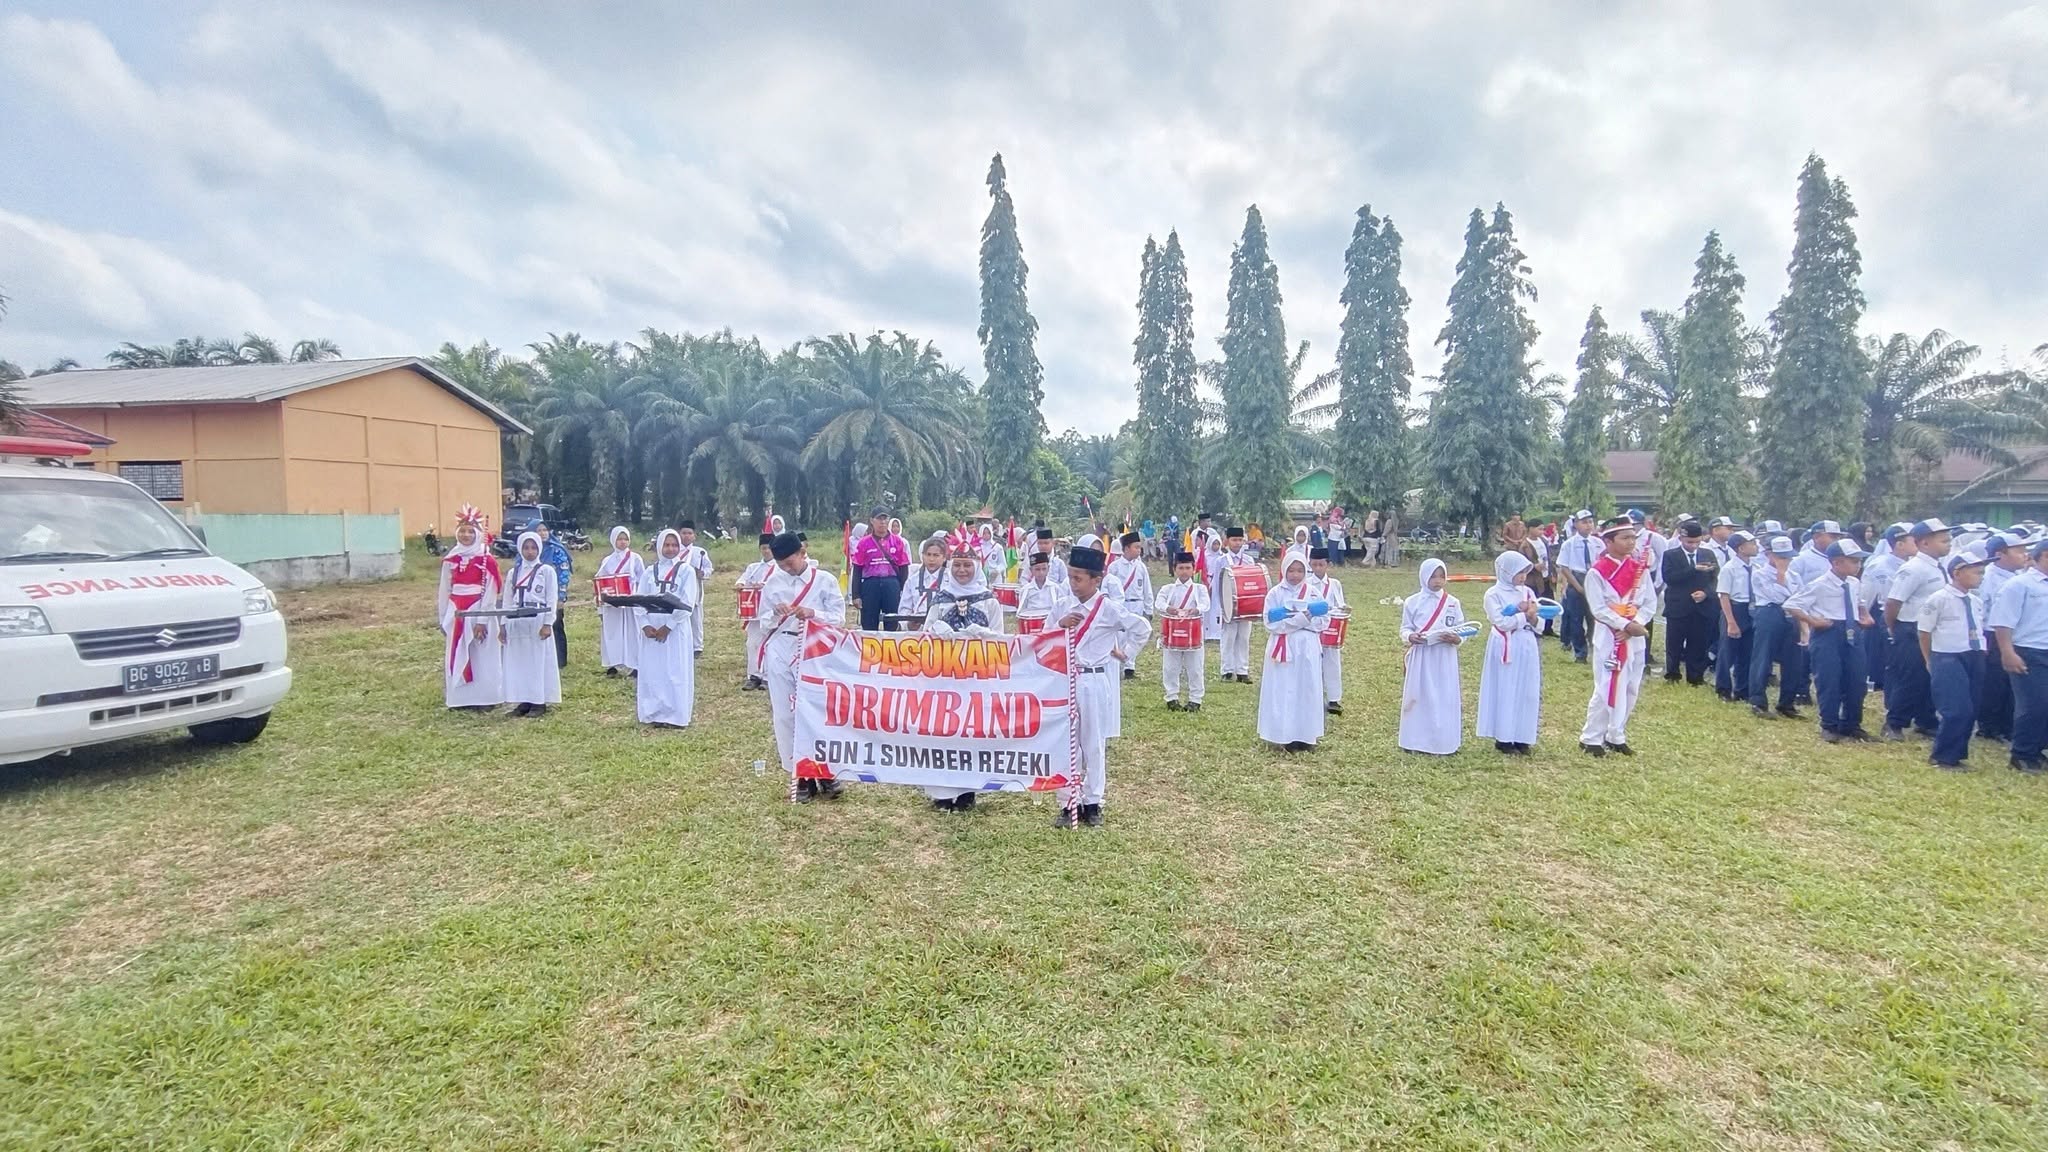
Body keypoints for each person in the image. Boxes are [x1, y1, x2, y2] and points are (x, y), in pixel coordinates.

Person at [1051, 546, 1148, 828]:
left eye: (1079, 578)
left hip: (1093, 680)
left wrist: (1125, 653)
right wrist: (1059, 625)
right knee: (1067, 744)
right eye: (1070, 577)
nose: (1073, 583)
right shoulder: (1062, 606)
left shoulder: (1108, 609)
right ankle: (1068, 802)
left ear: (1096, 580)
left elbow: (1141, 628)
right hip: (1066, 680)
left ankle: (1093, 801)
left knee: (1093, 743)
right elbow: (1043, 640)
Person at [761, 532, 847, 802]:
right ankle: (800, 775)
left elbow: (839, 618)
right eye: (781, 565)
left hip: (815, 649)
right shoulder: (773, 583)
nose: (787, 568)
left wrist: (813, 614)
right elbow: (762, 622)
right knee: (786, 713)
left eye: (790, 562)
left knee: (816, 711)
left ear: (802, 552)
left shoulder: (825, 581)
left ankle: (825, 771)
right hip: (781, 646)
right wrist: (775, 613)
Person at [920, 546, 1006, 811]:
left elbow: (1001, 640)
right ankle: (942, 793)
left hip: (976, 680)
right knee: (943, 733)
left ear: (977, 567)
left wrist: (983, 635)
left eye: (967, 565)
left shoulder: (989, 600)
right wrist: (936, 630)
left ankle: (968, 790)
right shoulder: (941, 599)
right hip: (944, 680)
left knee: (971, 733)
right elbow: (924, 635)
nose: (962, 570)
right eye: (957, 565)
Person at [1581, 517, 1658, 756]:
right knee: (1608, 685)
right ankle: (1591, 737)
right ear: (1608, 541)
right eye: (1625, 538)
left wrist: (1637, 623)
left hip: (1634, 635)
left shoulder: (1639, 569)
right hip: (1610, 635)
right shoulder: (1597, 572)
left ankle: (1616, 734)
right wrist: (1623, 624)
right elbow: (1598, 608)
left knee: (1631, 685)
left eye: (1633, 537)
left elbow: (1650, 602)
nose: (1630, 542)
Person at [1785, 539, 1874, 743]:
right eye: (1854, 561)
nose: (1858, 565)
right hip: (1829, 631)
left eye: (1859, 561)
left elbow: (1859, 602)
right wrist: (1812, 621)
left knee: (1856, 679)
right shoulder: (1820, 584)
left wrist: (1864, 615)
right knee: (1829, 678)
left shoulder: (1854, 583)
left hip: (1851, 629)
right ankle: (1829, 725)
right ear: (1836, 562)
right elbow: (1792, 604)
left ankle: (1852, 724)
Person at [1884, 518, 1952, 741]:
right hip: (1911, 628)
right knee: (1910, 677)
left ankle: (1926, 720)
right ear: (1924, 543)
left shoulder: (1938, 566)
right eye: (1943, 540)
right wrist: (1896, 629)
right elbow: (1893, 602)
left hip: (1932, 630)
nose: (1948, 544)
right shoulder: (1913, 568)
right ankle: (1894, 722)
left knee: (1929, 676)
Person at [1921, 550, 1990, 769]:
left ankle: (1957, 754)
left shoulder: (1975, 601)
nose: (1981, 575)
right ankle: (1942, 756)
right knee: (1956, 708)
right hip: (1948, 655)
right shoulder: (1939, 599)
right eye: (1975, 571)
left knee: (1971, 707)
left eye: (1982, 571)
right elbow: (1924, 631)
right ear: (1957, 573)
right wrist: (1929, 659)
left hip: (1973, 654)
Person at [1258, 549, 1329, 751]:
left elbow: (1324, 621)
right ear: (1284, 570)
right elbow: (1271, 623)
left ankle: (1306, 735)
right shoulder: (1275, 594)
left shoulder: (1313, 593)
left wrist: (1302, 621)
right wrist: (1300, 620)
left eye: (1299, 570)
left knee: (1307, 688)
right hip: (1284, 648)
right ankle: (1283, 734)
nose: (1295, 575)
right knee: (1283, 689)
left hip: (1307, 648)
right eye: (1291, 570)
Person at [436, 506, 504, 711]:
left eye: (470, 531)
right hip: (456, 611)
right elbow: (444, 589)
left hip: (478, 610)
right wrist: (444, 616)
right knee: (457, 652)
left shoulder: (486, 559)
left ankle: (485, 698)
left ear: (477, 534)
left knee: (481, 654)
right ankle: (460, 699)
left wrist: (481, 619)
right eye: (463, 531)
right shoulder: (452, 558)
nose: (466, 535)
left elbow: (490, 591)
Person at [1991, 538, 2048, 774]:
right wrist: (2007, 652)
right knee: (2034, 704)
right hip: (2028, 650)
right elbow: (2002, 621)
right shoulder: (2019, 584)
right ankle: (2022, 754)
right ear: (2043, 556)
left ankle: (2037, 750)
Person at [1399, 558, 1466, 755]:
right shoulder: (1412, 602)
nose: (1437, 581)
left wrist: (1457, 639)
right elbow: (1405, 628)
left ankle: (1443, 741)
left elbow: (1461, 628)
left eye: (1441, 576)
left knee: (1444, 696)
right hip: (1422, 655)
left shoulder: (1453, 603)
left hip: (1444, 656)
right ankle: (1415, 740)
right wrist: (1410, 636)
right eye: (1433, 576)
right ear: (1424, 577)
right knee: (1419, 696)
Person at [1477, 550, 1541, 754]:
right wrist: (1522, 615)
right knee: (1506, 687)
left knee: (1526, 690)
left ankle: (1523, 736)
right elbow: (1501, 622)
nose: (1522, 577)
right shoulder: (1493, 594)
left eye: (1524, 572)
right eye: (1518, 572)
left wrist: (1533, 618)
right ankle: (1504, 737)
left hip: (1526, 644)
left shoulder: (1528, 592)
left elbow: (1539, 620)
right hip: (1505, 644)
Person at [635, 529, 699, 729]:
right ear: (659, 546)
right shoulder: (649, 571)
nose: (671, 549)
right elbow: (639, 599)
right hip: (651, 627)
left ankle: (676, 715)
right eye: (667, 545)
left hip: (675, 628)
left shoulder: (686, 571)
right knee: (653, 671)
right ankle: (653, 712)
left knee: (675, 671)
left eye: (674, 545)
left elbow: (687, 602)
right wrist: (645, 624)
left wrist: (668, 626)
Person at [501, 530, 562, 716]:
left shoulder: (546, 571)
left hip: (537, 620)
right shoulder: (513, 572)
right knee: (520, 662)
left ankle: (539, 701)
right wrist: (503, 625)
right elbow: (507, 599)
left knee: (537, 662)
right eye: (526, 548)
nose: (530, 551)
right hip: (517, 622)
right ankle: (524, 700)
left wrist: (548, 623)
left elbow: (551, 598)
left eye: (534, 548)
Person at [1975, 532, 2028, 745]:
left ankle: (2007, 725)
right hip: (1992, 633)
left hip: (2015, 633)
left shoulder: (2019, 576)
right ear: (1999, 554)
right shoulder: (1987, 577)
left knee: (2010, 683)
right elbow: (1980, 609)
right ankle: (1989, 726)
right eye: (2019, 551)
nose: (2025, 555)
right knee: (1994, 682)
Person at [1661, 520, 1721, 686]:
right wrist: (1693, 569)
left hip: (1702, 606)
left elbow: (1715, 579)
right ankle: (1672, 674)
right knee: (1674, 643)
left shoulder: (1708, 554)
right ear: (1681, 539)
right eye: (1689, 542)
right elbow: (1669, 578)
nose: (1693, 546)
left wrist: (1706, 593)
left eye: (1697, 542)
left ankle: (1695, 676)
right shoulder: (1671, 555)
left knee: (1699, 642)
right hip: (1678, 605)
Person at [1749, 535, 1802, 719]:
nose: (1785, 561)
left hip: (1791, 616)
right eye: (1781, 557)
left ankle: (1787, 703)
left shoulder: (1795, 576)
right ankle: (1758, 701)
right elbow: (1776, 596)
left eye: (1787, 557)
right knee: (1763, 657)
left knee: (1793, 660)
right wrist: (1780, 575)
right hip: (1769, 613)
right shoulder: (1759, 574)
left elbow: (1799, 598)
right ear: (1769, 555)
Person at [1860, 524, 1915, 695]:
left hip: (1909, 615)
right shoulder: (1880, 566)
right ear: (1899, 544)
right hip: (1886, 613)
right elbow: (1866, 595)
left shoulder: (1914, 564)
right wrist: (1863, 616)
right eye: (1914, 540)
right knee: (1889, 659)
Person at [1155, 551, 1210, 712]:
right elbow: (1159, 602)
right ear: (1175, 569)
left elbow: (1206, 604)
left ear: (1193, 569)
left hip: (1193, 633)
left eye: (1187, 568)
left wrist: (1195, 610)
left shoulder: (1199, 589)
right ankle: (1171, 697)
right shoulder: (1168, 589)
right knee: (1170, 667)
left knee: (1195, 667)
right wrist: (1169, 609)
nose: (1184, 571)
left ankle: (1195, 699)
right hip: (1173, 632)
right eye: (1181, 568)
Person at [1715, 531, 1760, 703]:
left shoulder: (1756, 567)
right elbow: (1724, 596)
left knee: (1747, 651)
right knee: (1727, 651)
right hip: (1735, 608)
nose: (1756, 546)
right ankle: (1723, 689)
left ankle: (1743, 689)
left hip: (1752, 608)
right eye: (1752, 543)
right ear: (1741, 548)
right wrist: (1731, 622)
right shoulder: (1730, 568)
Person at [594, 526, 645, 677]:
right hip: (612, 604)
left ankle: (634, 664)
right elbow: (600, 581)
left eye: (625, 539)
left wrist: (639, 599)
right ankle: (613, 664)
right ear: (613, 540)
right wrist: (601, 603)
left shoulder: (635, 558)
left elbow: (642, 579)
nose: (623, 542)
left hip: (630, 602)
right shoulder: (607, 560)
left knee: (632, 632)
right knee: (612, 632)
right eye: (619, 539)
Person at [1305, 546, 1348, 714]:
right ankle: (1311, 697)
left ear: (1328, 564)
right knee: (1311, 663)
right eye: (1314, 564)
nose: (1318, 568)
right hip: (1312, 628)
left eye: (1321, 564)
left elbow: (1340, 605)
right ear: (1310, 564)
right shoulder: (1306, 584)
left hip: (1331, 629)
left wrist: (1342, 611)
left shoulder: (1334, 584)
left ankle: (1333, 699)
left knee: (1332, 663)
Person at [1214, 526, 1259, 683]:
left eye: (1240, 540)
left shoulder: (1248, 560)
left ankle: (1242, 671)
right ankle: (1227, 670)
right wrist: (1219, 609)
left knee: (1244, 637)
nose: (1237, 543)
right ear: (1227, 541)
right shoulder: (1221, 561)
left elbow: (1253, 582)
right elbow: (1216, 586)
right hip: (1228, 605)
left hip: (1245, 604)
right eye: (1234, 540)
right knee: (1228, 637)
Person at [1108, 532, 1153, 680]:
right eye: (1136, 547)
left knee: (1133, 635)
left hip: (1137, 603)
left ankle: (1130, 666)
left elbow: (1147, 589)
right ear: (1126, 548)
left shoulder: (1141, 567)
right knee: (1120, 634)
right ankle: (1118, 663)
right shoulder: (1114, 567)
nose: (1139, 550)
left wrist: (1148, 609)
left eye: (1140, 547)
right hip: (1121, 604)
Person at [737, 532, 777, 691]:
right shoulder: (753, 567)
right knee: (752, 643)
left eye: (769, 548)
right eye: (764, 548)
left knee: (768, 643)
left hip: (770, 612)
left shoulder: (779, 568)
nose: (766, 551)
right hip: (753, 611)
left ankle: (767, 676)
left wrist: (764, 586)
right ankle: (753, 676)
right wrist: (740, 584)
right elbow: (742, 579)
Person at [1557, 510, 1597, 662]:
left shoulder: (1598, 543)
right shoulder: (1569, 544)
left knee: (1594, 618)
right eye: (1584, 522)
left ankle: (1594, 646)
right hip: (1576, 579)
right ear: (1576, 524)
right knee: (1576, 619)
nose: (1588, 525)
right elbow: (1564, 567)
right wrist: (1578, 587)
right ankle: (1580, 652)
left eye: (1590, 522)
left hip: (1594, 579)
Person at [534, 520, 573, 670]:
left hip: (554, 595)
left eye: (545, 530)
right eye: (539, 530)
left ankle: (560, 660)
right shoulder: (528, 550)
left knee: (556, 625)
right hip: (535, 597)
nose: (543, 533)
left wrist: (561, 596)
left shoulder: (556, 550)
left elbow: (564, 574)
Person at [676, 521, 714, 654]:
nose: (686, 536)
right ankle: (680, 643)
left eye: (689, 533)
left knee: (696, 617)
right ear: (679, 534)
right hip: (677, 587)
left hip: (695, 587)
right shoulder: (674, 550)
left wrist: (702, 573)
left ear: (694, 536)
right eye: (684, 533)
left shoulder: (699, 552)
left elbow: (709, 568)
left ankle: (697, 646)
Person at [898, 536, 950, 621]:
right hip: (917, 627)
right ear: (922, 556)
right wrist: (909, 623)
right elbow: (904, 610)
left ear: (944, 558)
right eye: (928, 554)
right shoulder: (912, 581)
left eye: (936, 555)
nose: (931, 559)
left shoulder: (951, 580)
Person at [1016, 549, 1062, 625]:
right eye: (1037, 569)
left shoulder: (1055, 588)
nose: (1041, 572)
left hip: (1051, 623)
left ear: (1048, 568)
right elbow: (1021, 612)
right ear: (1031, 570)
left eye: (1044, 569)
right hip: (1032, 623)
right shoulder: (1026, 590)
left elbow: (1060, 609)